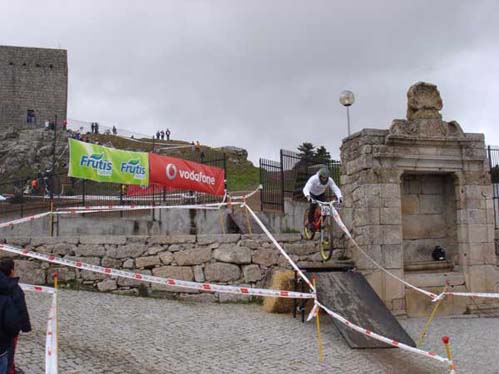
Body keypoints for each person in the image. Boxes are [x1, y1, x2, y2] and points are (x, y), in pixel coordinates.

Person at [0, 259, 28, 374]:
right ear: (11, 271)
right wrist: (24, 326)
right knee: (7, 355)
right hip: (7, 334)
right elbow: (21, 309)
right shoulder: (14, 289)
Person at [303, 167, 343, 232]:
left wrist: (340, 197)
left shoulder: (330, 180)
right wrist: (308, 197)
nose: (324, 179)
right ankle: (310, 223)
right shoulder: (314, 179)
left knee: (326, 209)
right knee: (312, 207)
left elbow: (335, 188)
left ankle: (320, 224)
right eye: (323, 178)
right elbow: (306, 187)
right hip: (312, 194)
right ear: (320, 176)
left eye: (326, 178)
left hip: (321, 194)